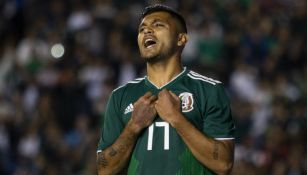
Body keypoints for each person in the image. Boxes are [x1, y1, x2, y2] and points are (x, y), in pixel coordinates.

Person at [97, 4, 235, 175]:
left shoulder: (209, 90)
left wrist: (176, 118)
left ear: (181, 39)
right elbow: (104, 169)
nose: (147, 31)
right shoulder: (120, 96)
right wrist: (134, 126)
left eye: (158, 25)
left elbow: (224, 164)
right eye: (142, 29)